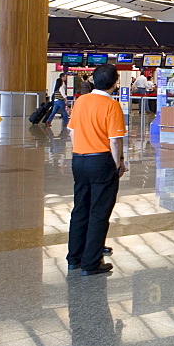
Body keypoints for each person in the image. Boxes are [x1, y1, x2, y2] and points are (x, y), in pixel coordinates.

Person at [66, 64, 127, 276]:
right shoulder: (112, 106)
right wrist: (118, 162)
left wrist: (80, 150)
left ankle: (74, 257)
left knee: (80, 208)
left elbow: (72, 132)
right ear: (114, 82)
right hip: (101, 161)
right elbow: (115, 141)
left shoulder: (81, 101)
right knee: (99, 211)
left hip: (79, 159)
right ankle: (91, 262)